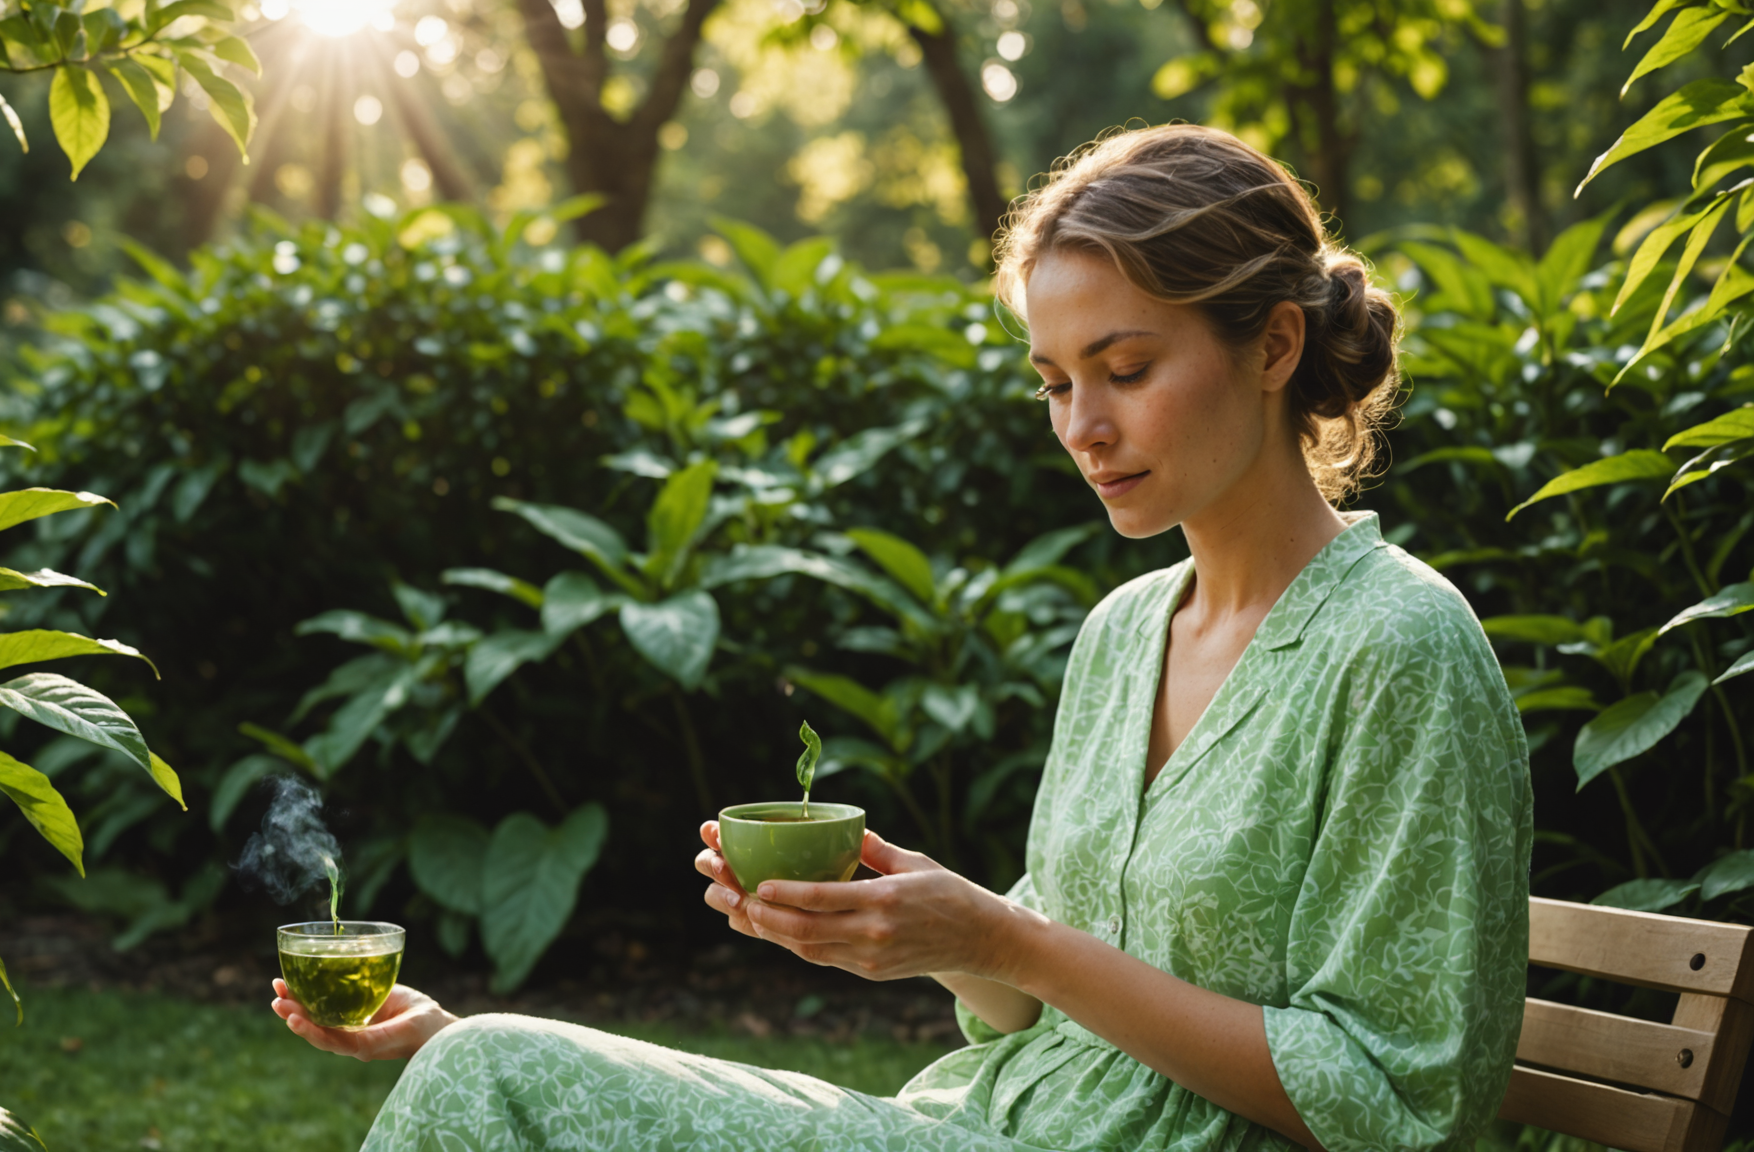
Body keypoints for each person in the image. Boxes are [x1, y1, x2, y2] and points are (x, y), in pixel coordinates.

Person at [270, 124, 1533, 1152]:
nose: (1082, 425)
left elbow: (1394, 1099)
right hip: (971, 1123)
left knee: (493, 1072)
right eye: (1053, 381)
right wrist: (920, 931)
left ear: (1273, 343)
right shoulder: (1125, 634)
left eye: (1126, 367)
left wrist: (1002, 937)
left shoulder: (1398, 648)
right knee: (484, 1071)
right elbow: (1038, 1005)